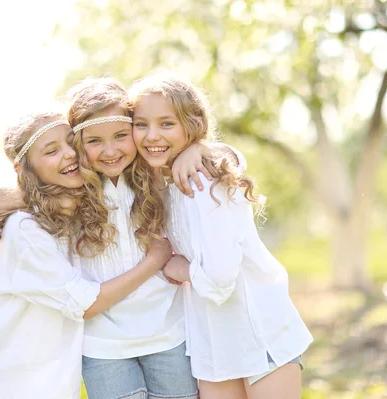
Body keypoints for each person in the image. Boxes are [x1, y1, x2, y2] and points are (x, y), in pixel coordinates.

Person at [0, 78, 243, 399]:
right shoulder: (71, 189)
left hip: (169, 334)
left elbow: (233, 159)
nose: (111, 150)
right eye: (95, 141)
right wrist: (34, 196)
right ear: (78, 144)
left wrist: (199, 147)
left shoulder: (155, 173)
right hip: (103, 346)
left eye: (120, 136)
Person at [0, 110, 174, 399]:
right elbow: (84, 304)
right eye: (51, 150)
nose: (69, 154)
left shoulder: (82, 199)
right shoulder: (25, 227)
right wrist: (154, 261)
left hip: (26, 362)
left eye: (71, 143)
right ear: (25, 168)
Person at [129, 73, 313, 399]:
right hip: (213, 342)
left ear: (192, 125)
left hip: (259, 329)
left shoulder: (202, 181)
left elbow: (219, 277)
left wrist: (179, 268)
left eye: (167, 124)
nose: (152, 135)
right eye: (141, 124)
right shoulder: (164, 184)